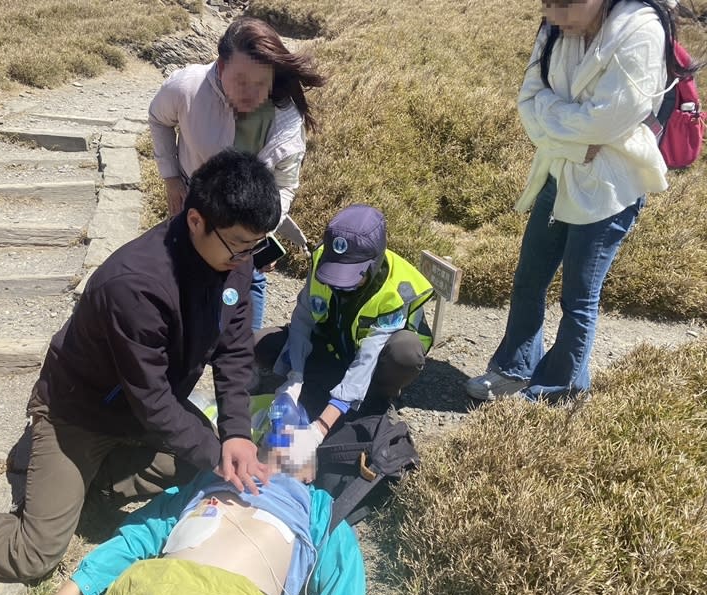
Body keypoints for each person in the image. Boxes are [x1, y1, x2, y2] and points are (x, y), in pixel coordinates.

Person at [0, 150, 281, 581]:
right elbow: (154, 402)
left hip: (141, 409)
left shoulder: (234, 256)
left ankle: (91, 485)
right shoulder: (136, 284)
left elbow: (234, 352)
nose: (247, 257)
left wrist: (235, 434)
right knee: (34, 554)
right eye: (239, 245)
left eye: (256, 245)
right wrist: (219, 453)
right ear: (196, 219)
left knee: (210, 457)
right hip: (77, 414)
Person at [465, 0, 683, 402]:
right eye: (547, 4)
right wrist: (573, 134)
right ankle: (515, 368)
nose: (553, 16)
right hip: (559, 169)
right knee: (529, 278)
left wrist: (556, 120)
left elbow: (607, 120)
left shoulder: (641, 31)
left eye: (564, 5)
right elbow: (529, 100)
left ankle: (557, 390)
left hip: (609, 185)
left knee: (579, 294)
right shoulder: (556, 29)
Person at [148, 16, 326, 331]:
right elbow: (158, 117)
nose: (250, 93)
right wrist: (171, 177)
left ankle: (243, 356)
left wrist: (264, 230)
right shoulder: (188, 87)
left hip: (250, 219)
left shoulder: (285, 115)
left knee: (248, 279)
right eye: (240, 80)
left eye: (261, 83)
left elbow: (285, 182)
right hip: (198, 206)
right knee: (186, 272)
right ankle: (187, 342)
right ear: (220, 67)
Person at [254, 204, 435, 460]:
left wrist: (320, 428)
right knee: (261, 343)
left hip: (374, 366)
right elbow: (303, 320)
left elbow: (366, 360)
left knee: (405, 352)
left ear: (373, 264)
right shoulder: (320, 260)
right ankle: (321, 384)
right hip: (332, 348)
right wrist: (294, 376)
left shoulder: (396, 290)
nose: (341, 283)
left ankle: (375, 398)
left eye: (352, 276)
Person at [50, 470, 365, 595]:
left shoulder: (321, 510)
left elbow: (343, 585)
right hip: (151, 586)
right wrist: (74, 588)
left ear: (309, 470)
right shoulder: (206, 482)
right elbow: (141, 535)